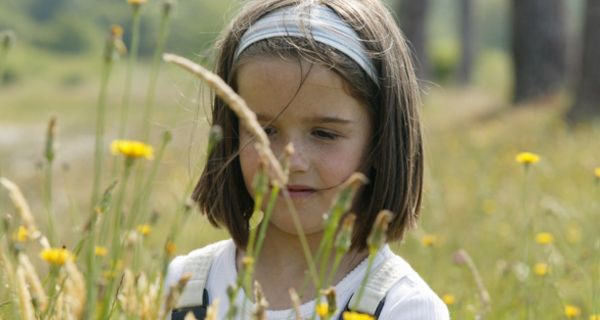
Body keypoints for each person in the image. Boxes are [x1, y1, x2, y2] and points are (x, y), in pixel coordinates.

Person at [165, 0, 449, 319]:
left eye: (323, 134)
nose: (289, 161)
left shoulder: (403, 307)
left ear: (380, 143)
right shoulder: (183, 286)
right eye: (264, 130)